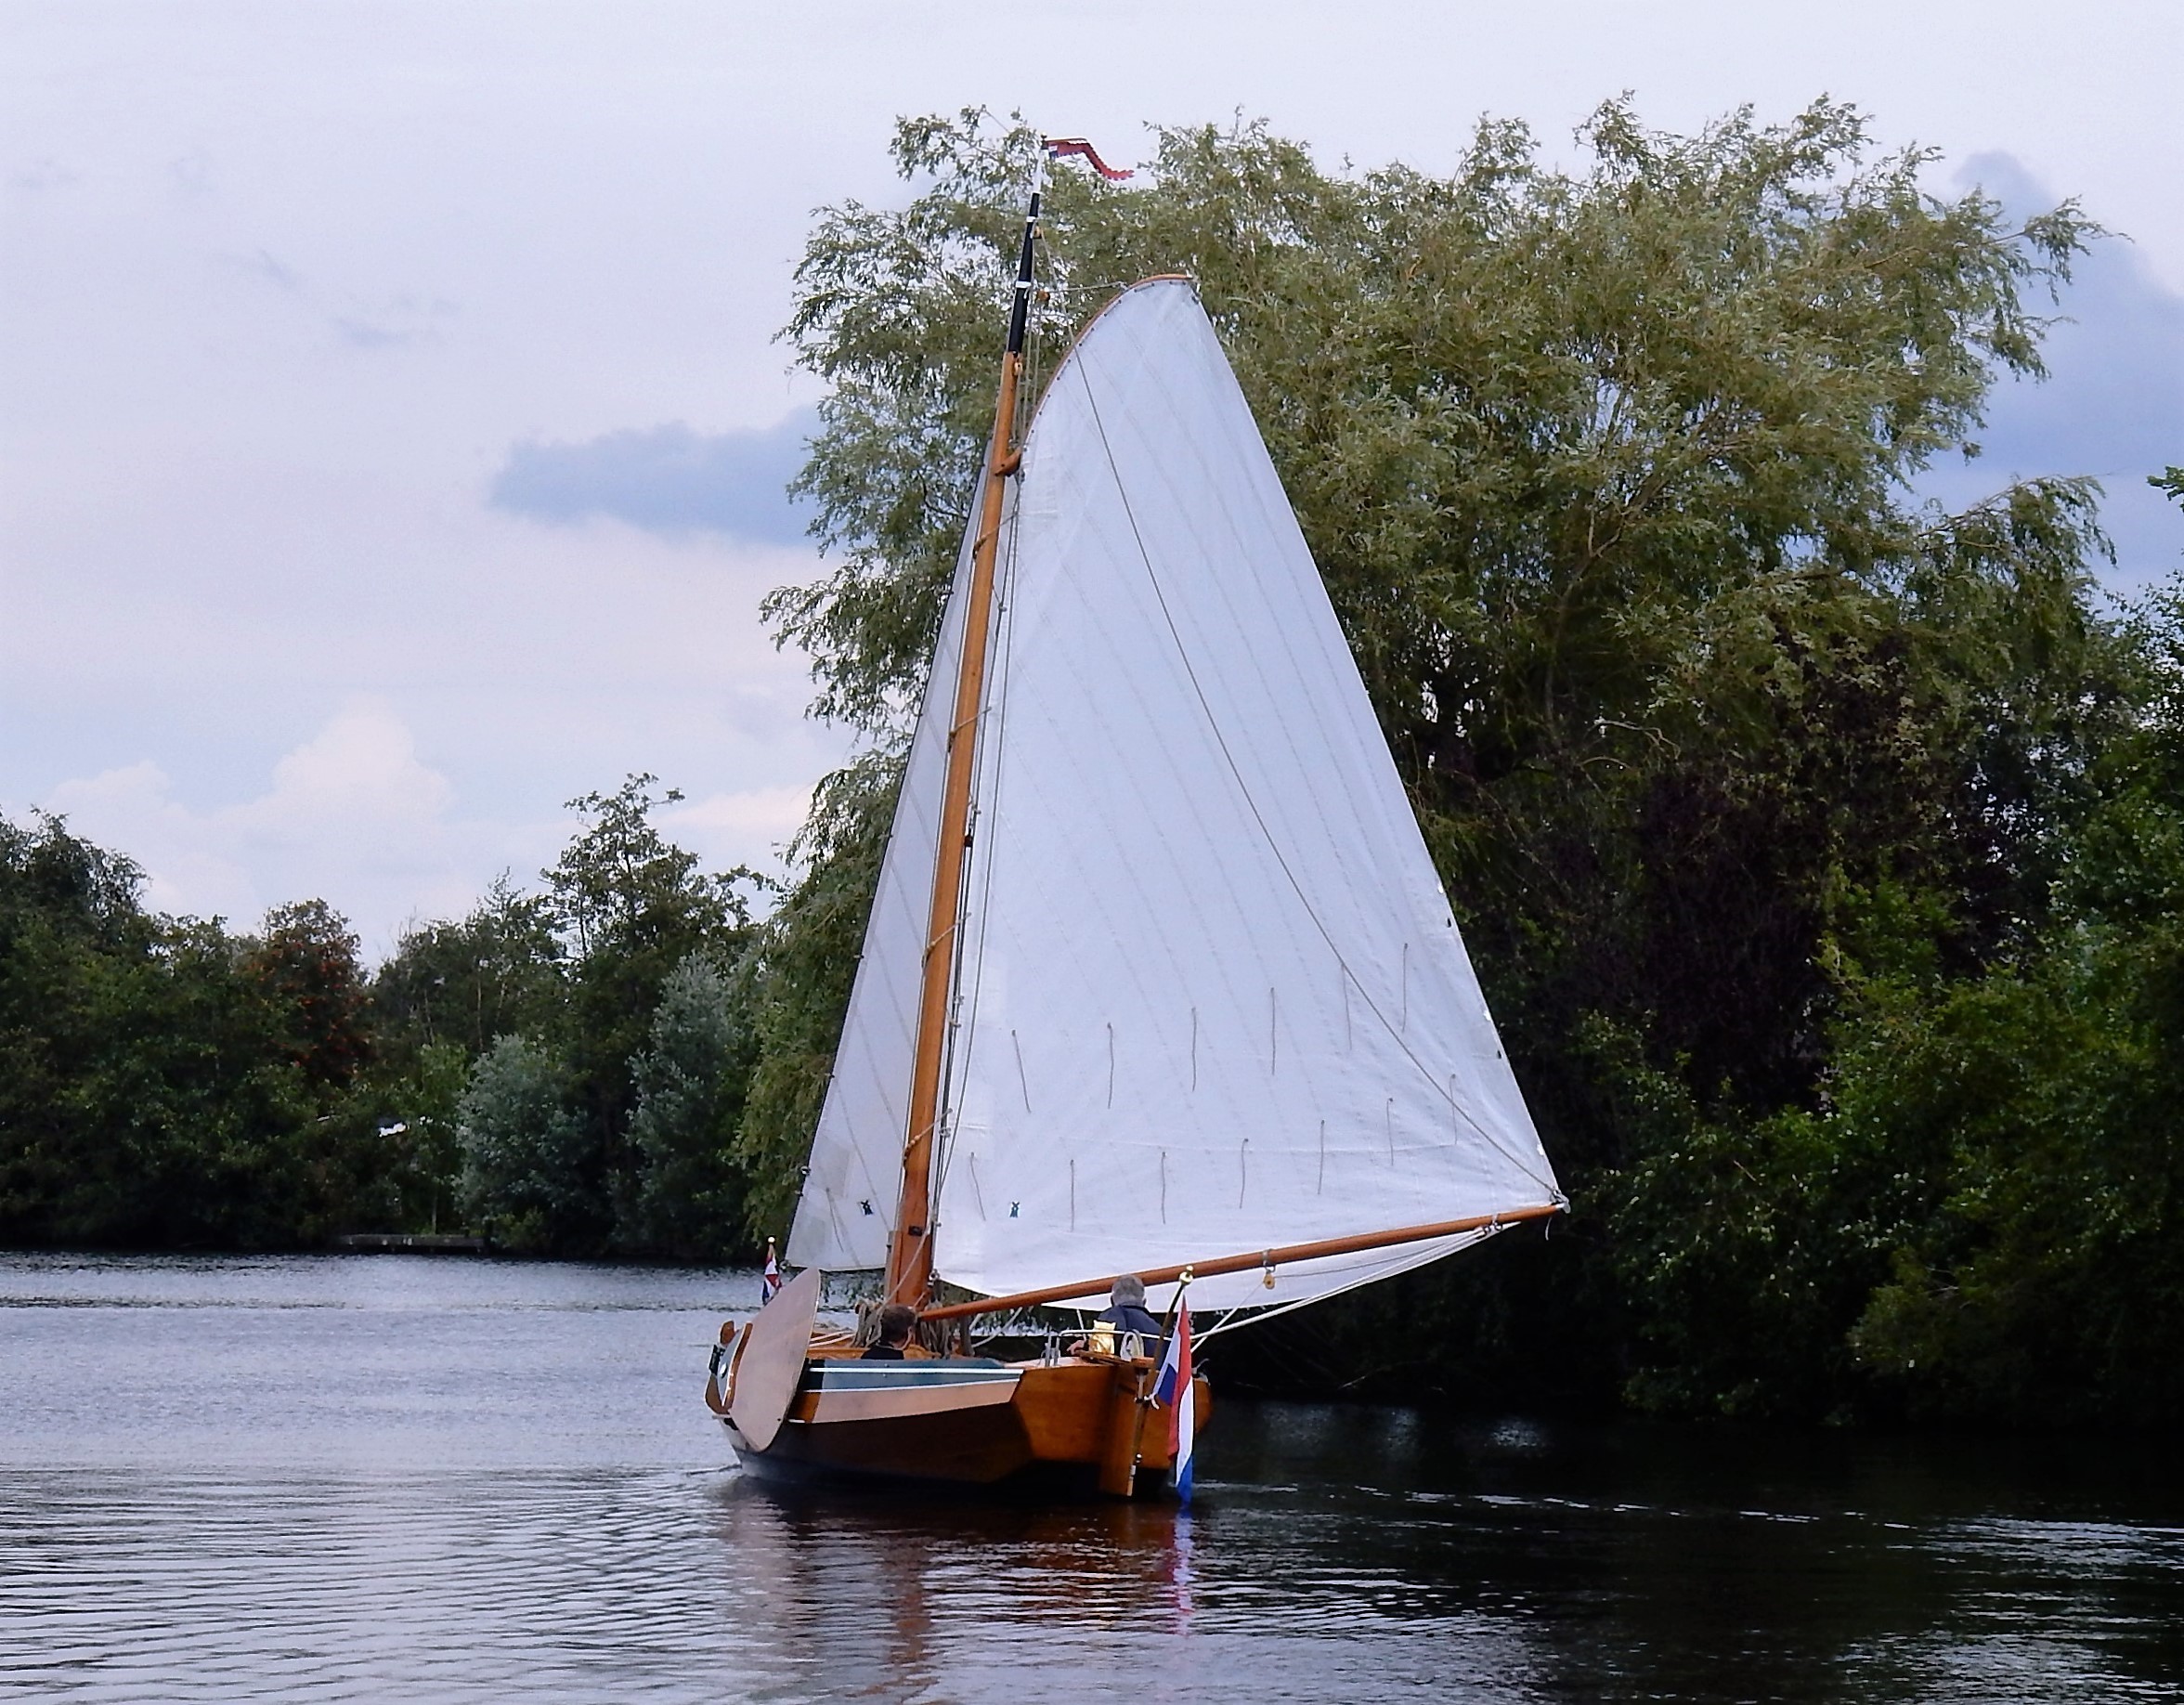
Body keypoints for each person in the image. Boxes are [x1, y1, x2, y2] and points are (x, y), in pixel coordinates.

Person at [1094, 1275, 1164, 1347]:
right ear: (1144, 1302)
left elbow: (1098, 1349)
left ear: (1111, 1301)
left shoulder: (1105, 1321)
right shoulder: (1160, 1332)